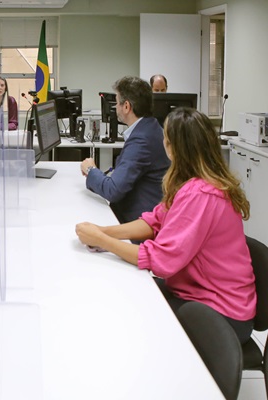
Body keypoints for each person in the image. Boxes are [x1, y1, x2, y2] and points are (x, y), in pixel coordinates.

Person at [75, 107, 256, 344]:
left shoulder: (201, 194)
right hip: (197, 293)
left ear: (175, 148)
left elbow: (161, 260)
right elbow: (154, 220)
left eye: (166, 139)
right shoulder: (191, 183)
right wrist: (103, 231)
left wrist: (103, 241)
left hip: (219, 311)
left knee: (131, 318)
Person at [80, 76, 170, 224]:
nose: (115, 107)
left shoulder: (141, 140)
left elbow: (113, 191)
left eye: (117, 102)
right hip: (143, 214)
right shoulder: (151, 128)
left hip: (137, 222)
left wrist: (91, 170)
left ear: (127, 106)